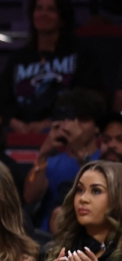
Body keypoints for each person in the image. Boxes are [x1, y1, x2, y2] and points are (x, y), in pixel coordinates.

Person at [0, 0, 103, 133]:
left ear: (62, 17)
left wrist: (50, 122)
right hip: (20, 134)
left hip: (67, 133)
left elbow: (89, 100)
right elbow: (0, 99)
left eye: (51, 9)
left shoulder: (82, 55)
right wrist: (14, 122)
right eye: (39, 8)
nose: (43, 14)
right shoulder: (19, 58)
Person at [23, 88, 106, 230]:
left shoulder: (104, 158)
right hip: (48, 237)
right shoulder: (51, 162)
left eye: (83, 120)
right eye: (71, 119)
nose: (75, 126)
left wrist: (81, 152)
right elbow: (30, 197)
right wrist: (42, 154)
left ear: (97, 127)